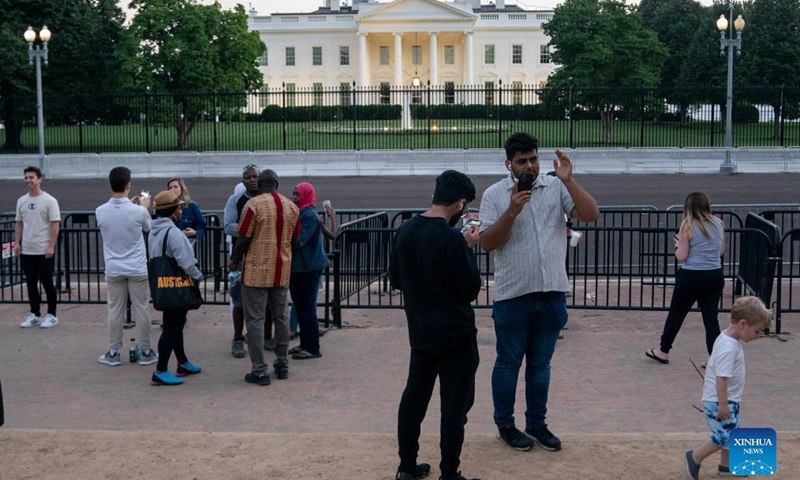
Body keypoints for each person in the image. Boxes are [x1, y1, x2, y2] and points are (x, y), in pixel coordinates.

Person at [479, 132, 599, 451]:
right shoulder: (495, 194)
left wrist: (569, 181)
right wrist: (512, 211)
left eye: (533, 158)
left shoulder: (555, 187)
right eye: (522, 161)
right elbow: (488, 242)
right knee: (508, 363)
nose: (529, 165)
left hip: (551, 294)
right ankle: (506, 424)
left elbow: (590, 214)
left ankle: (537, 423)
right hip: (513, 296)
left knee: (541, 366)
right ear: (509, 164)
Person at [390, 170, 482, 480]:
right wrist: (469, 248)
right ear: (459, 203)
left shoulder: (404, 231)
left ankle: (406, 464)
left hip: (421, 332)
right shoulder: (451, 238)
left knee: (414, 399)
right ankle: (449, 472)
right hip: (455, 335)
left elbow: (396, 280)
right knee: (454, 408)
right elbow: (470, 288)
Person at [683, 296, 772, 480]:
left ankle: (727, 466)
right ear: (742, 324)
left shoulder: (726, 338)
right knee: (725, 436)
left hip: (727, 400)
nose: (757, 336)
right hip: (720, 401)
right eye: (757, 331)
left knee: (731, 433)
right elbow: (721, 379)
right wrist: (723, 404)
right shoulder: (728, 348)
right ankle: (695, 457)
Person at [229, 170, 300, 386]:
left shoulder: (254, 205)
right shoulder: (292, 207)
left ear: (260, 184)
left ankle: (259, 370)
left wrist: (234, 260)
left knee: (256, 320)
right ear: (277, 184)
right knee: (281, 317)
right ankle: (282, 362)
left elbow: (243, 238)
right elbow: (295, 239)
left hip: (256, 272)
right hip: (281, 270)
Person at [646, 192, 725, 365]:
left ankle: (663, 350)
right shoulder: (718, 223)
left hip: (691, 275)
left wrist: (677, 245)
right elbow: (720, 251)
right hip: (714, 274)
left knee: (676, 314)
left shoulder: (688, 226)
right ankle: (716, 359)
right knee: (711, 318)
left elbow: (681, 256)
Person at [95, 167, 158, 367]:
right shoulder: (138, 211)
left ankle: (114, 351)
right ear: (128, 185)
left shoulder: (100, 211)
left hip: (114, 267)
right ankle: (146, 350)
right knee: (142, 309)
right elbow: (150, 228)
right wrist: (145, 208)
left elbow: (115, 220)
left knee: (115, 311)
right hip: (137, 267)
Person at [147, 190, 204, 386]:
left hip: (163, 285)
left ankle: (182, 362)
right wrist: (198, 276)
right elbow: (186, 262)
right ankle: (160, 370)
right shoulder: (174, 234)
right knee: (172, 327)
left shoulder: (154, 231)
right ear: (173, 211)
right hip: (177, 285)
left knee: (175, 324)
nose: (181, 209)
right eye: (179, 207)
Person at [224, 165, 274, 358]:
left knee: (269, 300)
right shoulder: (236, 201)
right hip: (242, 258)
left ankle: (267, 336)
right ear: (243, 180)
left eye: (255, 177)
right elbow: (228, 226)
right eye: (248, 177)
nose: (252, 180)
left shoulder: (268, 199)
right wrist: (249, 229)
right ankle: (238, 339)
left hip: (266, 257)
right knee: (240, 301)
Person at [287, 183, 330, 360]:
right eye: (294, 193)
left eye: (298, 194)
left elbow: (299, 241)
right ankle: (305, 343)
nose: (294, 197)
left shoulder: (308, 215)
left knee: (307, 308)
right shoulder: (302, 213)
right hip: (301, 268)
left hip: (308, 268)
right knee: (302, 307)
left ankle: (312, 347)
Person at [15, 166, 61, 329]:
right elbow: (19, 223)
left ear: (39, 179)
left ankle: (52, 314)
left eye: (31, 177)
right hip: (27, 249)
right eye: (26, 177)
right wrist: (17, 243)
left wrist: (50, 246)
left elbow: (55, 225)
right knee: (31, 283)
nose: (28, 180)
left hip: (43, 250)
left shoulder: (49, 201)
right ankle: (34, 313)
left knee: (47, 283)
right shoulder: (21, 201)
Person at [167, 177, 206, 245]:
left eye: (175, 187)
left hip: (186, 245)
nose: (172, 190)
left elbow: (202, 227)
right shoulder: (165, 207)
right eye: (170, 188)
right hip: (168, 245)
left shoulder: (192, 206)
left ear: (182, 189)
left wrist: (194, 232)